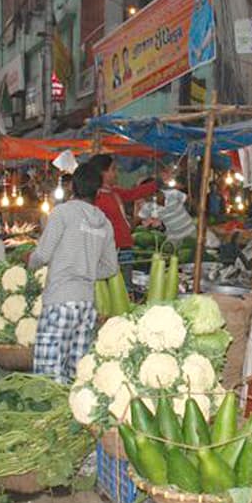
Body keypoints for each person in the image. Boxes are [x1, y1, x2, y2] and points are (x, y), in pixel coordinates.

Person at [29, 164, 119, 382]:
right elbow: (111, 267)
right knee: (76, 375)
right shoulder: (105, 223)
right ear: (97, 191)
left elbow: (43, 254)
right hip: (86, 305)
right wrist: (85, 269)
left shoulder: (63, 212)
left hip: (60, 300)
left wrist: (29, 264)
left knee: (48, 377)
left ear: (71, 187)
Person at [88, 154, 158, 285]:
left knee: (124, 288)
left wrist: (157, 184)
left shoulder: (114, 192)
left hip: (125, 248)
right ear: (102, 172)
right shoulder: (95, 198)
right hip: (112, 251)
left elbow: (134, 193)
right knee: (115, 289)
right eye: (113, 169)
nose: (116, 173)